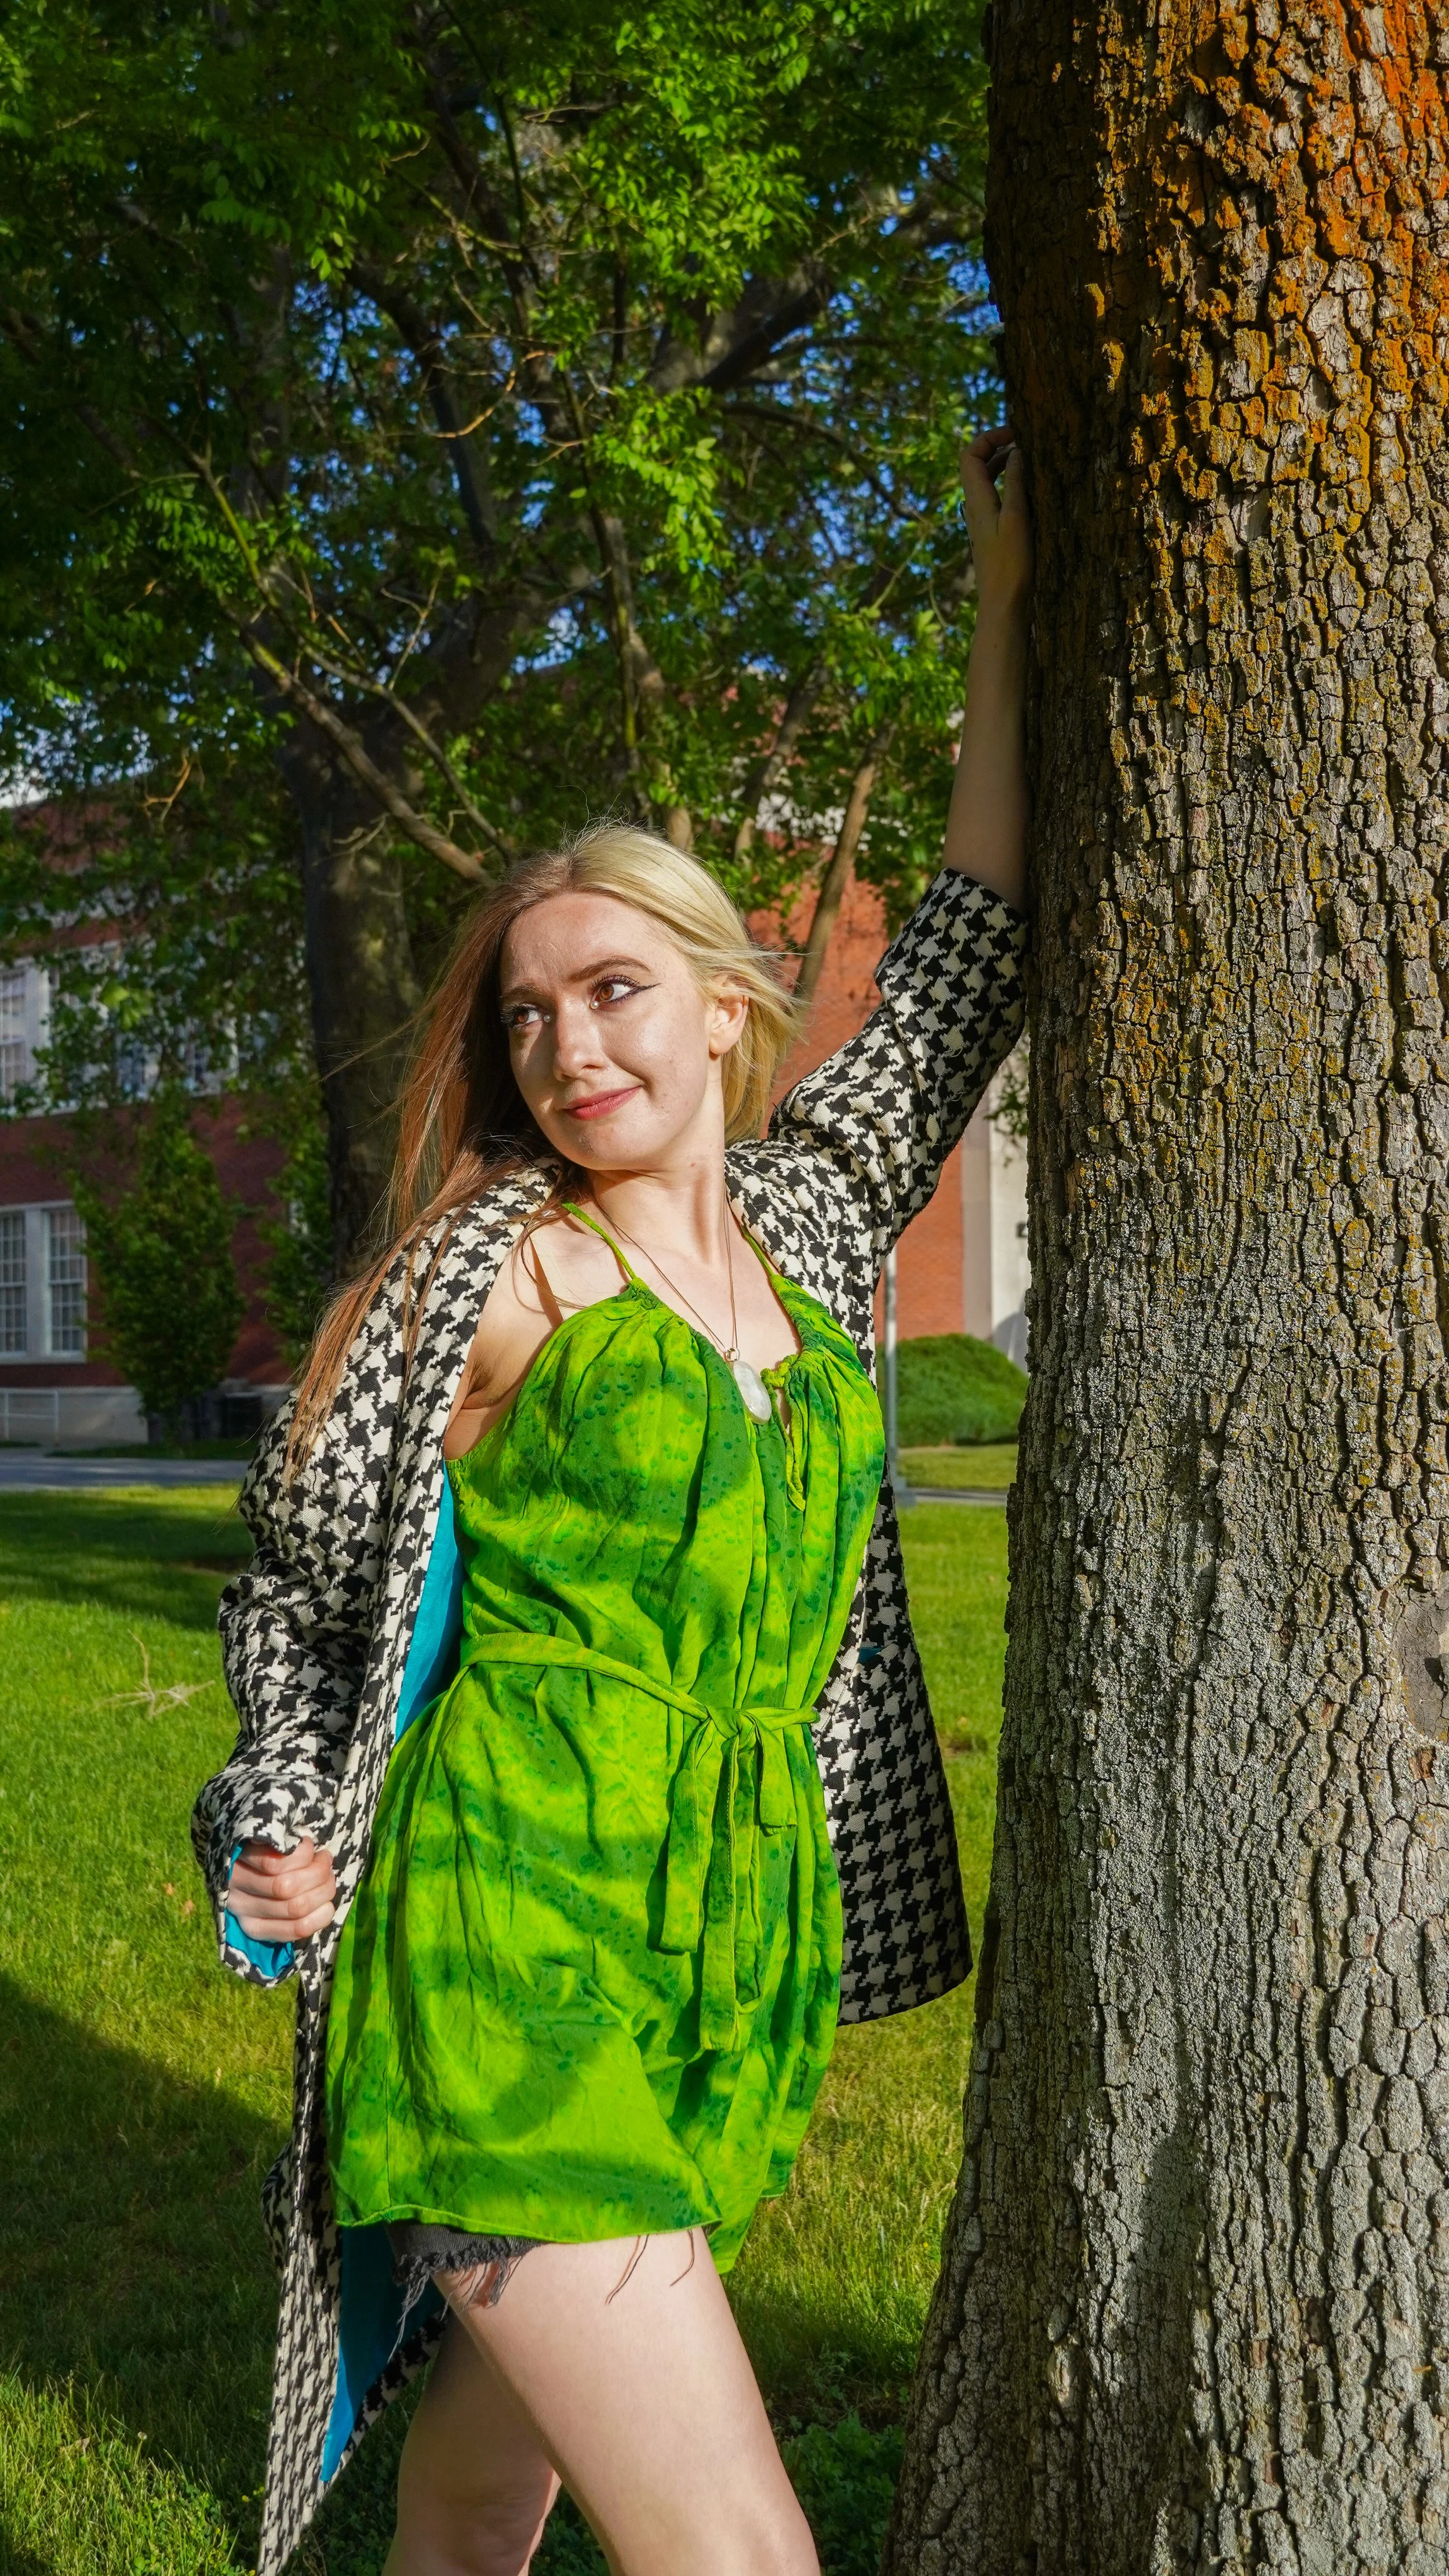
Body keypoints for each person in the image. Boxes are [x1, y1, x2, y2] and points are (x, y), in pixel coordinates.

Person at [194, 424, 1032, 2576]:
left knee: (485, 2498)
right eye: (531, 1016)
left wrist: (1009, 613)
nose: (571, 1049)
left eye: (616, 989)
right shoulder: (486, 1273)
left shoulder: (823, 1214)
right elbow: (292, 1588)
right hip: (508, 1944)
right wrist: (277, 1799)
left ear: (731, 1000)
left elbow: (972, 927)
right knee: (743, 2555)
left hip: (720, 1956)